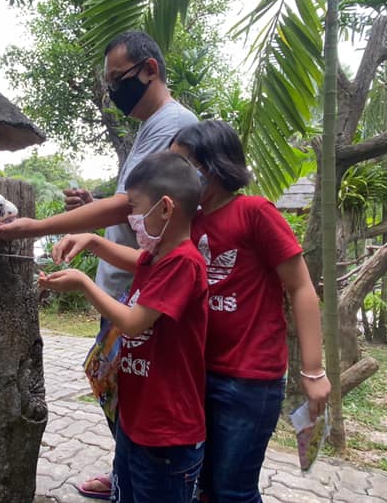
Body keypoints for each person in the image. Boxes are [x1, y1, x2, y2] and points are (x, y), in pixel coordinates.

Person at [55, 121, 331, 502]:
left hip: (248, 379)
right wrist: (96, 244)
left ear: (212, 165)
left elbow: (301, 287)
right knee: (200, 485)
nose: (175, 173)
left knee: (232, 490)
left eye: (182, 162)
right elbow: (152, 264)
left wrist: (313, 371)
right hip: (199, 372)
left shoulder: (254, 213)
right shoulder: (187, 220)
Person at [0, 30, 198, 499]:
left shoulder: (174, 124)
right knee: (114, 383)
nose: (112, 91)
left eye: (117, 78)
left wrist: (37, 226)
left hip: (139, 287)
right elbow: (132, 203)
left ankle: (148, 475)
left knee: (132, 388)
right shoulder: (150, 127)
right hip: (126, 280)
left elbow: (131, 205)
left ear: (150, 70)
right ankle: (127, 470)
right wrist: (95, 204)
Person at [38, 152, 208, 503]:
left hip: (167, 433)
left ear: (164, 208)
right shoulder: (159, 257)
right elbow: (132, 258)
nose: (131, 219)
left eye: (135, 208)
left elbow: (133, 323)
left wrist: (85, 284)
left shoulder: (183, 263)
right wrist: (92, 240)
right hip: (138, 420)